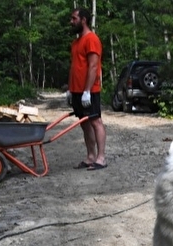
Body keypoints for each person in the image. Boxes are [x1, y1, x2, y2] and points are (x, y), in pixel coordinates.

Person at [67, 7, 107, 170]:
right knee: (84, 123)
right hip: (77, 90)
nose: (71, 21)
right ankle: (90, 156)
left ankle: (101, 158)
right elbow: (74, 67)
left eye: (74, 18)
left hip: (89, 90)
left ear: (83, 20)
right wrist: (70, 89)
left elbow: (93, 66)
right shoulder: (76, 42)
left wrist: (87, 91)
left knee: (95, 121)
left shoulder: (91, 39)